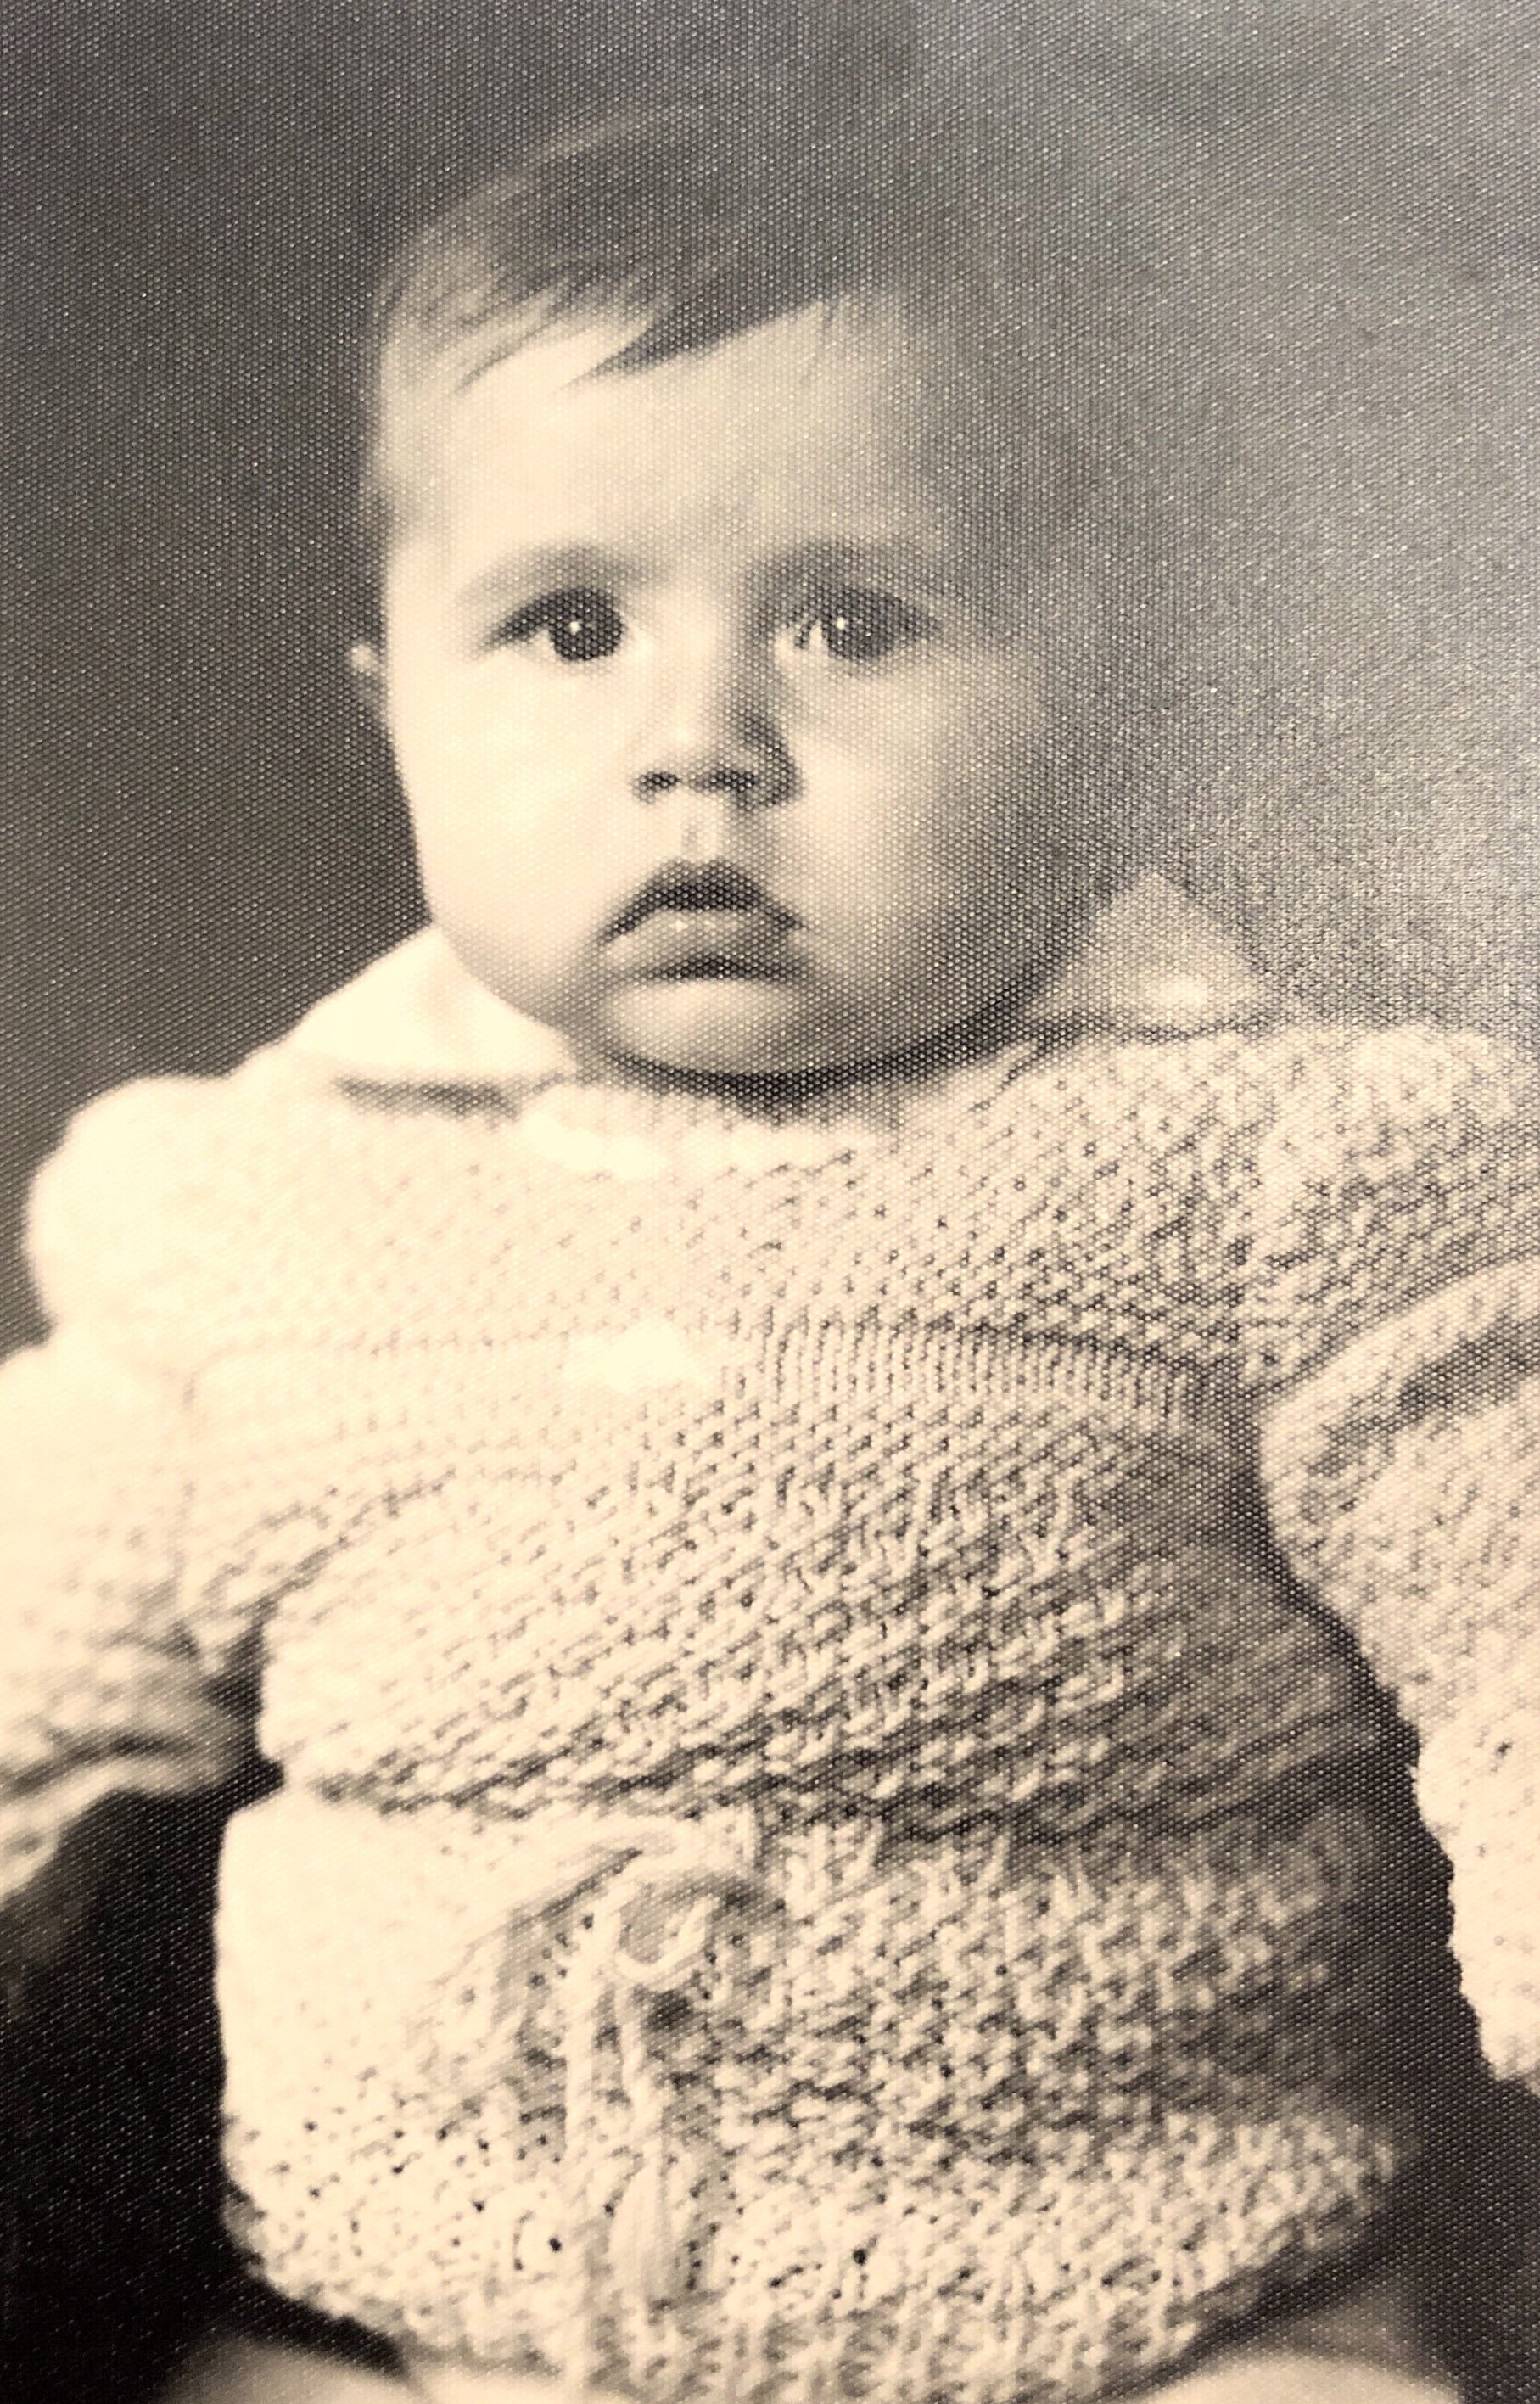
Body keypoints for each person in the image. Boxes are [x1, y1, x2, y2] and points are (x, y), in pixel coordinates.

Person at [3, 81, 1537, 2404]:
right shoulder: (250, 1215)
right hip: (431, 2333)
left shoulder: (1281, 1170)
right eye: (569, 626)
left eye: (853, 619)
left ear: (1106, 699)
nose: (700, 739)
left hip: (1161, 2317)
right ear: (391, 708)